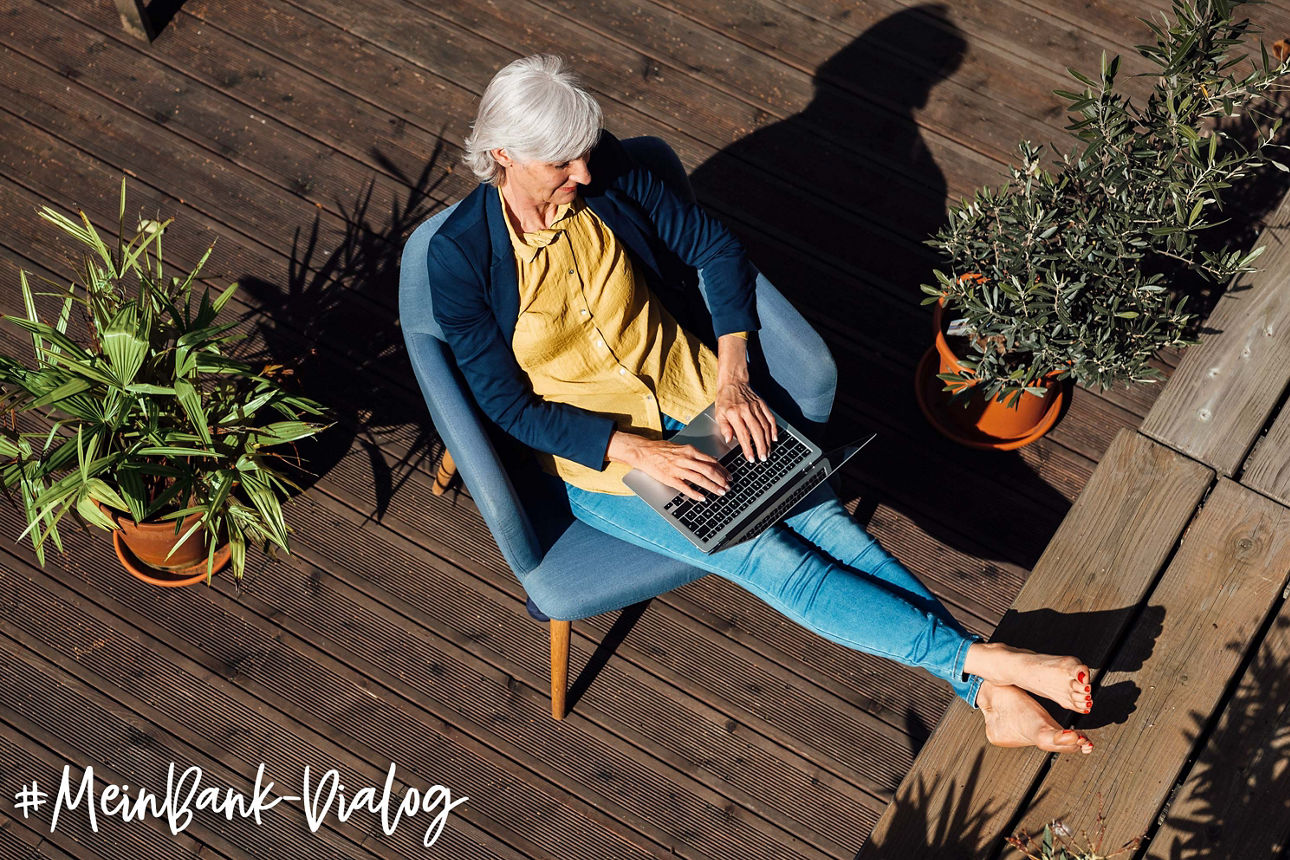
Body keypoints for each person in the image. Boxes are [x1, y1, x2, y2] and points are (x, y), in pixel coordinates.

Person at [426, 54, 1094, 754]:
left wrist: (735, 375)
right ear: (504, 154)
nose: (584, 176)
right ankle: (990, 664)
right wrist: (636, 449)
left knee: (833, 529)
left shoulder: (609, 174)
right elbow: (505, 403)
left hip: (703, 398)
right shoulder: (461, 257)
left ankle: (987, 693)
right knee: (772, 561)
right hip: (607, 460)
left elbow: (714, 249)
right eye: (562, 165)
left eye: (585, 157)